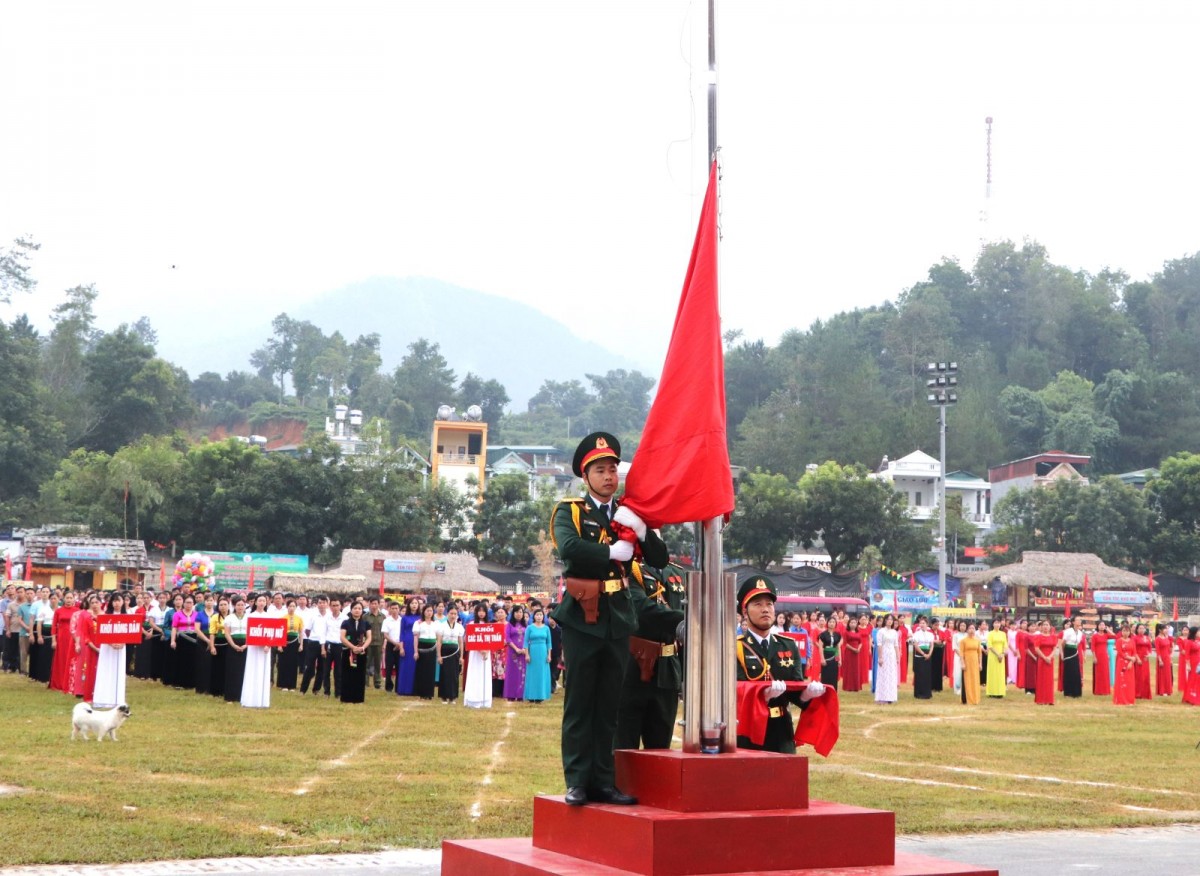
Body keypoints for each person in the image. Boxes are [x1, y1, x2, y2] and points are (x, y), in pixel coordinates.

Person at [550, 431, 682, 807]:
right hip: (582, 617)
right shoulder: (571, 510)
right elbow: (571, 549)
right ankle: (577, 780)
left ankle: (604, 781)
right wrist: (612, 551)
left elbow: (657, 557)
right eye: (600, 470)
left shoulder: (628, 511)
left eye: (612, 469)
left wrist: (641, 528)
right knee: (580, 703)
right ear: (585, 475)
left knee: (610, 703)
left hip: (619, 618)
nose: (609, 476)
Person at [734, 576, 826, 752]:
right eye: (758, 604)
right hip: (749, 731)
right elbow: (736, 693)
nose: (765, 610)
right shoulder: (735, 647)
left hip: (781, 730)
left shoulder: (787, 645)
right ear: (745, 612)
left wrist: (807, 695)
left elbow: (795, 690)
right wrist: (764, 697)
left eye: (769, 604)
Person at [614, 563, 684, 747]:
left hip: (667, 669)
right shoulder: (626, 568)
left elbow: (685, 635)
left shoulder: (677, 573)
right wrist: (687, 619)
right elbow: (640, 609)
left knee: (661, 749)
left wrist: (685, 676)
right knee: (624, 748)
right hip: (632, 666)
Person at [92, 591, 129, 709]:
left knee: (118, 671)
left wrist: (123, 642)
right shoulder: (104, 616)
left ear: (123, 602)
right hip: (107, 648)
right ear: (111, 602)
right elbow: (101, 633)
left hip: (121, 648)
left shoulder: (127, 617)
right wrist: (110, 643)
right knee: (105, 669)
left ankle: (118, 699)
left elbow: (130, 633)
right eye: (114, 600)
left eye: (119, 600)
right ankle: (103, 698)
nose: (117, 603)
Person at [241, 593, 272, 708]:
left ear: (266, 602)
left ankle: (262, 701)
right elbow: (248, 633)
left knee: (263, 671)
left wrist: (268, 645)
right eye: (259, 601)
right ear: (255, 602)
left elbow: (271, 633)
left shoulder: (270, 616)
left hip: (265, 649)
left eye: (264, 601)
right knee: (252, 669)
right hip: (253, 648)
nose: (261, 603)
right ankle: (250, 699)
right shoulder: (250, 616)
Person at [340, 600, 372, 704]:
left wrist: (362, 648)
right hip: (348, 652)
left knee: (360, 674)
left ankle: (358, 698)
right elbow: (342, 637)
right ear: (351, 610)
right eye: (355, 608)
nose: (357, 610)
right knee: (347, 674)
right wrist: (353, 647)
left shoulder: (366, 623)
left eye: (359, 608)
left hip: (361, 653)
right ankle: (346, 698)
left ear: (362, 610)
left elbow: (369, 637)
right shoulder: (345, 622)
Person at [70, 593, 101, 700]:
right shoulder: (84, 614)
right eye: (92, 602)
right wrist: (77, 643)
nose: (94, 604)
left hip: (100, 642)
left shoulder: (104, 614)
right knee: (84, 666)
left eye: (96, 602)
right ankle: (81, 689)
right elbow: (79, 630)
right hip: (86, 642)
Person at [463, 603, 493, 709]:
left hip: (486, 654)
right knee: (475, 674)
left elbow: (492, 640)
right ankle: (473, 699)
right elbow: (468, 640)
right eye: (479, 611)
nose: (481, 613)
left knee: (484, 675)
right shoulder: (471, 624)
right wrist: (480, 650)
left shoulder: (489, 625)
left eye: (483, 611)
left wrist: (487, 651)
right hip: (475, 654)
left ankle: (485, 700)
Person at [49, 591, 78, 693]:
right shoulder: (58, 611)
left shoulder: (77, 611)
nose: (69, 600)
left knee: (71, 661)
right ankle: (59, 683)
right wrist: (54, 640)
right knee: (60, 661)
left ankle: (71, 683)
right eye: (67, 598)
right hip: (61, 639)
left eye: (71, 598)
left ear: (74, 599)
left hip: (73, 639)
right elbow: (53, 626)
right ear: (63, 599)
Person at [223, 596, 249, 703]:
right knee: (232, 670)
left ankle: (242, 696)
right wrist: (234, 645)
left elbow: (251, 633)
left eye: (242, 605)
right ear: (234, 606)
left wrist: (246, 645)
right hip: (232, 644)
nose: (240, 607)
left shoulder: (249, 617)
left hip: (246, 645)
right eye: (238, 605)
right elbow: (227, 634)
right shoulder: (229, 618)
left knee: (244, 670)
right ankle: (231, 696)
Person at [436, 605, 465, 703]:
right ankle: (444, 696)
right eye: (451, 613)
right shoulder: (441, 625)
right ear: (447, 614)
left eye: (455, 614)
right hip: (445, 651)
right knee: (444, 674)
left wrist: (461, 656)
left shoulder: (460, 627)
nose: (453, 616)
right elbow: (439, 642)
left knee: (454, 675)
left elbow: (461, 642)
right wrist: (439, 655)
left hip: (455, 652)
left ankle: (453, 696)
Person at [523, 607, 552, 703]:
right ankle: (531, 695)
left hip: (543, 651)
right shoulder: (530, 627)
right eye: (537, 615)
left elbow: (549, 643)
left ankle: (541, 695)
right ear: (533, 616)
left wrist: (549, 655)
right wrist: (527, 654)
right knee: (532, 674)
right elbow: (526, 642)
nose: (539, 617)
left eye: (541, 615)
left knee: (542, 673)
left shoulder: (546, 628)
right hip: (533, 651)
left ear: (543, 616)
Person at [170, 594, 198, 691]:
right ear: (183, 603)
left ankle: (192, 683)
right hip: (182, 639)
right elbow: (174, 628)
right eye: (187, 602)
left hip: (194, 639)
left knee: (192, 661)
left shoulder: (196, 614)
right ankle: (180, 683)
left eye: (190, 602)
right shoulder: (177, 614)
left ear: (193, 604)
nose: (188, 604)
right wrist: (173, 640)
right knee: (181, 661)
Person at [276, 598, 304, 691]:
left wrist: (301, 645)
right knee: (284, 662)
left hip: (294, 642)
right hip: (284, 641)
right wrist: (279, 645)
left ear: (296, 607)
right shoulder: (282, 618)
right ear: (287, 607)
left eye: (293, 606)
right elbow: (279, 632)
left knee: (293, 663)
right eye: (290, 606)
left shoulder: (299, 618)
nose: (291, 608)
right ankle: (283, 684)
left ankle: (292, 685)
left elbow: (301, 632)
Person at [412, 604, 439, 700]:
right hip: (421, 647)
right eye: (427, 611)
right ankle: (421, 692)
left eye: (431, 611)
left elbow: (438, 638)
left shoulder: (436, 624)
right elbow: (416, 638)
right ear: (424, 612)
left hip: (432, 648)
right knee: (422, 671)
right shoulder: (418, 623)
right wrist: (415, 651)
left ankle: (429, 693)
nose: (429, 613)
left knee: (430, 671)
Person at [397, 596, 420, 696]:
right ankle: (404, 689)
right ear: (408, 605)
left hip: (418, 642)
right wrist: (401, 647)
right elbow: (401, 633)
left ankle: (415, 689)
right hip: (407, 642)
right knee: (406, 666)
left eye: (416, 603)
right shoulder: (404, 618)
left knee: (416, 666)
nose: (414, 605)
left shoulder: (421, 617)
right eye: (412, 603)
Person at [1032, 620, 1059, 706]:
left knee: (1049, 680)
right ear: (1041, 627)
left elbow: (1054, 648)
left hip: (1050, 660)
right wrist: (1044, 657)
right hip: (1041, 659)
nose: (1045, 626)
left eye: (1047, 625)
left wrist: (1050, 657)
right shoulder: (1038, 636)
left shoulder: (1053, 637)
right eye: (1044, 625)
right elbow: (1036, 648)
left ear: (1050, 626)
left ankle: (1049, 699)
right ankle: (1041, 699)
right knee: (1041, 679)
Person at [503, 605, 528, 701]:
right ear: (513, 614)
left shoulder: (526, 625)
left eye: (521, 612)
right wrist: (516, 648)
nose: (519, 614)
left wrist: (525, 650)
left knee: (522, 673)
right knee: (512, 674)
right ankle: (511, 695)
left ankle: (521, 695)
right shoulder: (509, 625)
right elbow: (507, 638)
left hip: (524, 652)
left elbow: (529, 638)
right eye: (517, 612)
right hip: (513, 652)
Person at [874, 614, 900, 704]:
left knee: (891, 675)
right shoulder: (881, 631)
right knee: (883, 675)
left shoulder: (894, 632)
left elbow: (896, 645)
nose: (890, 621)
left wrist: (897, 656)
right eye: (888, 619)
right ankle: (882, 697)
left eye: (891, 620)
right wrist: (880, 657)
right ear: (885, 620)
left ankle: (891, 697)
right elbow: (879, 644)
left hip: (892, 654)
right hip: (884, 653)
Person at [381, 600, 404, 694]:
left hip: (401, 645)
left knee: (399, 667)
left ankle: (398, 687)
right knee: (389, 666)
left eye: (396, 608)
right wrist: (394, 643)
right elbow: (385, 635)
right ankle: (388, 687)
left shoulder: (402, 620)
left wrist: (399, 644)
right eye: (393, 608)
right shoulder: (386, 621)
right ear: (389, 609)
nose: (395, 610)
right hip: (390, 645)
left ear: (399, 609)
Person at [364, 596, 386, 691]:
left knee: (378, 664)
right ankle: (365, 682)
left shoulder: (383, 616)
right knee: (366, 664)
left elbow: (385, 632)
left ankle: (377, 683)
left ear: (378, 604)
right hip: (368, 644)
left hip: (379, 643)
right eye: (372, 603)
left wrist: (384, 644)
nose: (374, 605)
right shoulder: (365, 616)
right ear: (369, 604)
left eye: (375, 603)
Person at [1113, 623, 1138, 706]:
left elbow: (1134, 653)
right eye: (1124, 631)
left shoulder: (1132, 641)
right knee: (1122, 681)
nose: (1126, 633)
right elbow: (1120, 653)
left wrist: (1131, 661)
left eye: (1127, 631)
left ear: (1130, 632)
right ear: (1121, 632)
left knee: (1129, 681)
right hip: (1122, 663)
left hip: (1130, 664)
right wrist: (1130, 658)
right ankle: (1121, 699)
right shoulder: (1119, 641)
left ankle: (1129, 699)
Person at [911, 617, 935, 699]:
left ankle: (927, 693)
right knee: (919, 674)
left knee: (927, 675)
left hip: (928, 656)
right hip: (919, 655)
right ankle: (919, 693)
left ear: (927, 624)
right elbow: (916, 645)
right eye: (920, 623)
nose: (922, 625)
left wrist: (929, 654)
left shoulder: (930, 634)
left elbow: (931, 645)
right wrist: (923, 653)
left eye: (924, 623)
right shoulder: (916, 634)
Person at [1061, 616, 1084, 698]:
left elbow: (1077, 644)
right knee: (1068, 672)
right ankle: (1068, 692)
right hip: (1068, 651)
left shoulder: (1080, 633)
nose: (1079, 621)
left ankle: (1076, 692)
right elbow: (1063, 643)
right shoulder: (1068, 631)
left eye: (1080, 620)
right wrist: (1062, 653)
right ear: (1073, 622)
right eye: (1078, 620)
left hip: (1075, 652)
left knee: (1076, 672)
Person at [817, 616, 842, 689]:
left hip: (834, 657)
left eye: (833, 622)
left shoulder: (837, 635)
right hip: (826, 656)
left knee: (834, 675)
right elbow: (820, 647)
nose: (832, 624)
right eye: (830, 622)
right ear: (827, 623)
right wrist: (822, 659)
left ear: (835, 624)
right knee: (825, 675)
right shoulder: (823, 634)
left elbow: (837, 647)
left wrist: (839, 659)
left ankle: (833, 691)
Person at [985, 619, 1007, 698]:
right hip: (993, 655)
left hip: (1001, 656)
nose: (997, 625)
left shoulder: (1003, 634)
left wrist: (1002, 654)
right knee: (993, 673)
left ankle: (1000, 691)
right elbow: (990, 645)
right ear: (993, 624)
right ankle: (992, 691)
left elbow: (1005, 645)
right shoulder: (990, 633)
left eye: (998, 623)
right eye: (995, 623)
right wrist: (998, 654)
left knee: (1000, 674)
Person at [1090, 621, 1112, 696]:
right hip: (1098, 656)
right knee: (1098, 673)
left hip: (1105, 656)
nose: (1102, 626)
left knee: (1105, 673)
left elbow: (1115, 636)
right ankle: (1098, 690)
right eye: (1100, 625)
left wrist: (1108, 629)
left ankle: (1106, 690)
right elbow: (1092, 647)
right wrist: (1094, 657)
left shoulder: (1106, 635)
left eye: (1103, 625)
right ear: (1097, 626)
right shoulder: (1095, 636)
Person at [1132, 623, 1153, 700]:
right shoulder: (1135, 638)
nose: (1141, 630)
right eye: (1140, 628)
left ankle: (1145, 693)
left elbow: (1150, 648)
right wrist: (1137, 658)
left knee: (1146, 676)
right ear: (1137, 630)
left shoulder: (1147, 638)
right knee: (1139, 676)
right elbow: (1133, 649)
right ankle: (1138, 693)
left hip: (1146, 659)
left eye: (1143, 628)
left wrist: (1149, 655)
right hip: (1138, 658)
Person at [1153, 623, 1174, 697]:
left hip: (1167, 657)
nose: (1166, 630)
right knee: (1162, 675)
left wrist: (1170, 658)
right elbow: (1158, 651)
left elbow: (1169, 649)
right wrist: (1160, 660)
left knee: (1168, 674)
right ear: (1160, 630)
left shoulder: (1166, 637)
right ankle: (1162, 690)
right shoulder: (1157, 639)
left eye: (1166, 629)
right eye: (1165, 629)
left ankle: (1168, 690)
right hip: (1161, 658)